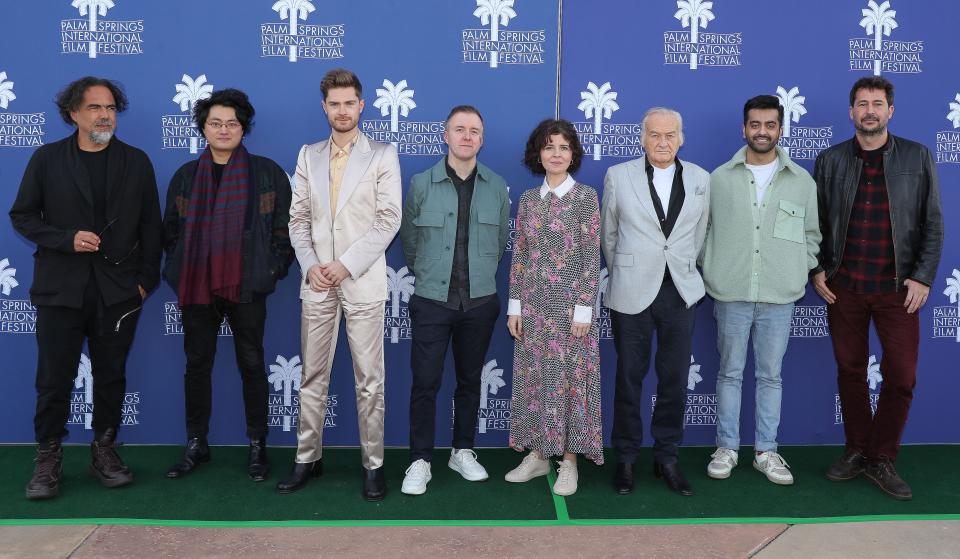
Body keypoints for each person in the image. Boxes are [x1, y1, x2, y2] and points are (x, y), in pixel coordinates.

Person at [10, 76, 162, 499]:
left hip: (118, 291)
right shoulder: (47, 159)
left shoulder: (136, 162)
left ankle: (105, 449)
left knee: (111, 375)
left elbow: (153, 226)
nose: (104, 115)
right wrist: (66, 239)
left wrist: (145, 282)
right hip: (60, 289)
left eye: (111, 107)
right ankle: (48, 457)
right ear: (73, 113)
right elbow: (23, 216)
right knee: (53, 378)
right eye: (95, 108)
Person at [814, 77, 942, 501]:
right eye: (862, 103)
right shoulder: (830, 160)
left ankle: (881, 457)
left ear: (890, 111)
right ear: (851, 111)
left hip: (897, 290)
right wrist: (817, 269)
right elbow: (813, 223)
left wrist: (922, 276)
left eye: (878, 103)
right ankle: (856, 450)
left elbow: (933, 224)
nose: (870, 110)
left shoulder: (917, 156)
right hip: (844, 288)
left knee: (901, 377)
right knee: (850, 372)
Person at [279, 68, 401, 501]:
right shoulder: (308, 155)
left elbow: (389, 220)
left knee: (370, 379)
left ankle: (373, 464)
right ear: (324, 107)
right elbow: (297, 220)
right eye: (335, 104)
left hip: (362, 281)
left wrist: (344, 266)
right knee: (312, 375)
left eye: (350, 103)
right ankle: (306, 457)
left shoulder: (383, 154)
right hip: (316, 282)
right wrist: (312, 265)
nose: (343, 110)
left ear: (362, 105)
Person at [161, 88, 293, 482]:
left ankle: (257, 445)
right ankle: (196, 444)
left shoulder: (266, 173)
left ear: (243, 128)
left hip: (248, 285)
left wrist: (269, 271)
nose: (223, 130)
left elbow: (285, 231)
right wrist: (179, 267)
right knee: (197, 363)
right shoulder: (185, 177)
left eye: (232, 123)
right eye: (215, 123)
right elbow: (170, 232)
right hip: (196, 284)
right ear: (203, 127)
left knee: (252, 364)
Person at [701, 95, 820, 485]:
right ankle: (727, 447)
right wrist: (714, 266)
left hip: (779, 296)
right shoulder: (719, 178)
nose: (762, 131)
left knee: (771, 376)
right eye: (755, 124)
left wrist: (797, 269)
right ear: (744, 128)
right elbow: (703, 233)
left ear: (781, 130)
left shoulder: (802, 181)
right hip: (730, 292)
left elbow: (811, 236)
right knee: (729, 373)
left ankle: (767, 451)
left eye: (770, 125)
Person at [398, 105, 510, 496]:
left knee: (469, 381)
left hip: (479, 302)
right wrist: (433, 276)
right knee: (425, 383)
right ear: (445, 136)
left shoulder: (497, 186)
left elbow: (498, 247)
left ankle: (462, 450)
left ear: (482, 138)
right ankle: (420, 459)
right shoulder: (421, 183)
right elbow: (410, 244)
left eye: (474, 131)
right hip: (432, 300)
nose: (467, 136)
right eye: (459, 129)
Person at [601, 107, 709, 496]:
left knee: (675, 380)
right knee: (629, 378)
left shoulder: (700, 178)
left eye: (670, 135)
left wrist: (677, 266)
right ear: (642, 137)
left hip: (679, 292)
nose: (662, 142)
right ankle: (626, 459)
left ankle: (667, 458)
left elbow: (698, 235)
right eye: (654, 135)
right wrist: (628, 271)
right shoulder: (618, 175)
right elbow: (609, 235)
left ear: (681, 138)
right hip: (631, 290)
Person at [504, 118, 602, 497]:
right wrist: (515, 307)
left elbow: (591, 258)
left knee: (569, 384)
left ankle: (569, 462)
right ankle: (538, 455)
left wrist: (582, 310)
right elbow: (521, 256)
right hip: (533, 308)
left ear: (573, 154)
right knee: (534, 381)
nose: (556, 154)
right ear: (538, 154)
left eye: (563, 147)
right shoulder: (529, 200)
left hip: (570, 311)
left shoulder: (585, 197)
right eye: (549, 147)